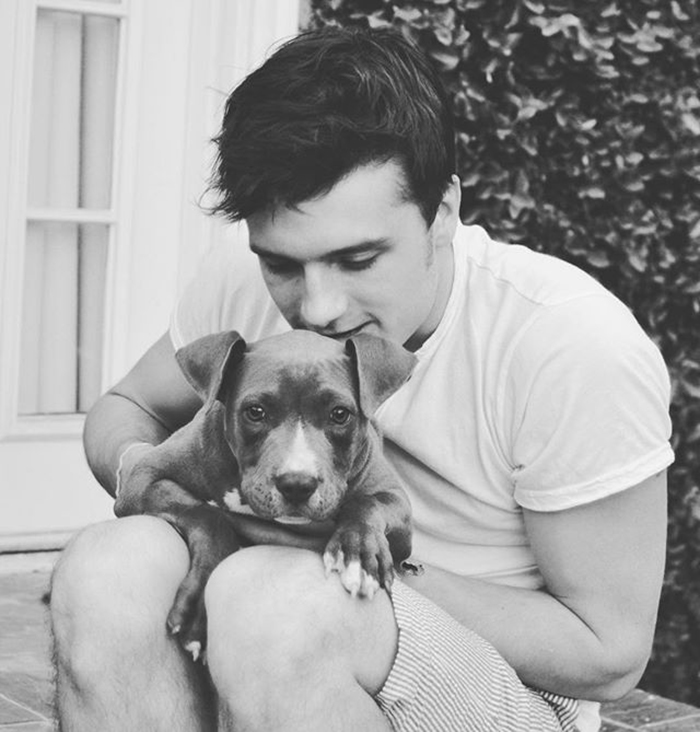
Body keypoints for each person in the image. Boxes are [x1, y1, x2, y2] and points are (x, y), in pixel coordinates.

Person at [50, 26, 673, 732]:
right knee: (106, 570)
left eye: (358, 259)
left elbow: (607, 654)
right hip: (270, 631)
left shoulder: (568, 344)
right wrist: (155, 484)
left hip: (505, 688)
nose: (317, 306)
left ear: (443, 212)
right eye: (281, 263)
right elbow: (126, 405)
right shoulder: (241, 281)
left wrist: (341, 557)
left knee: (275, 605)